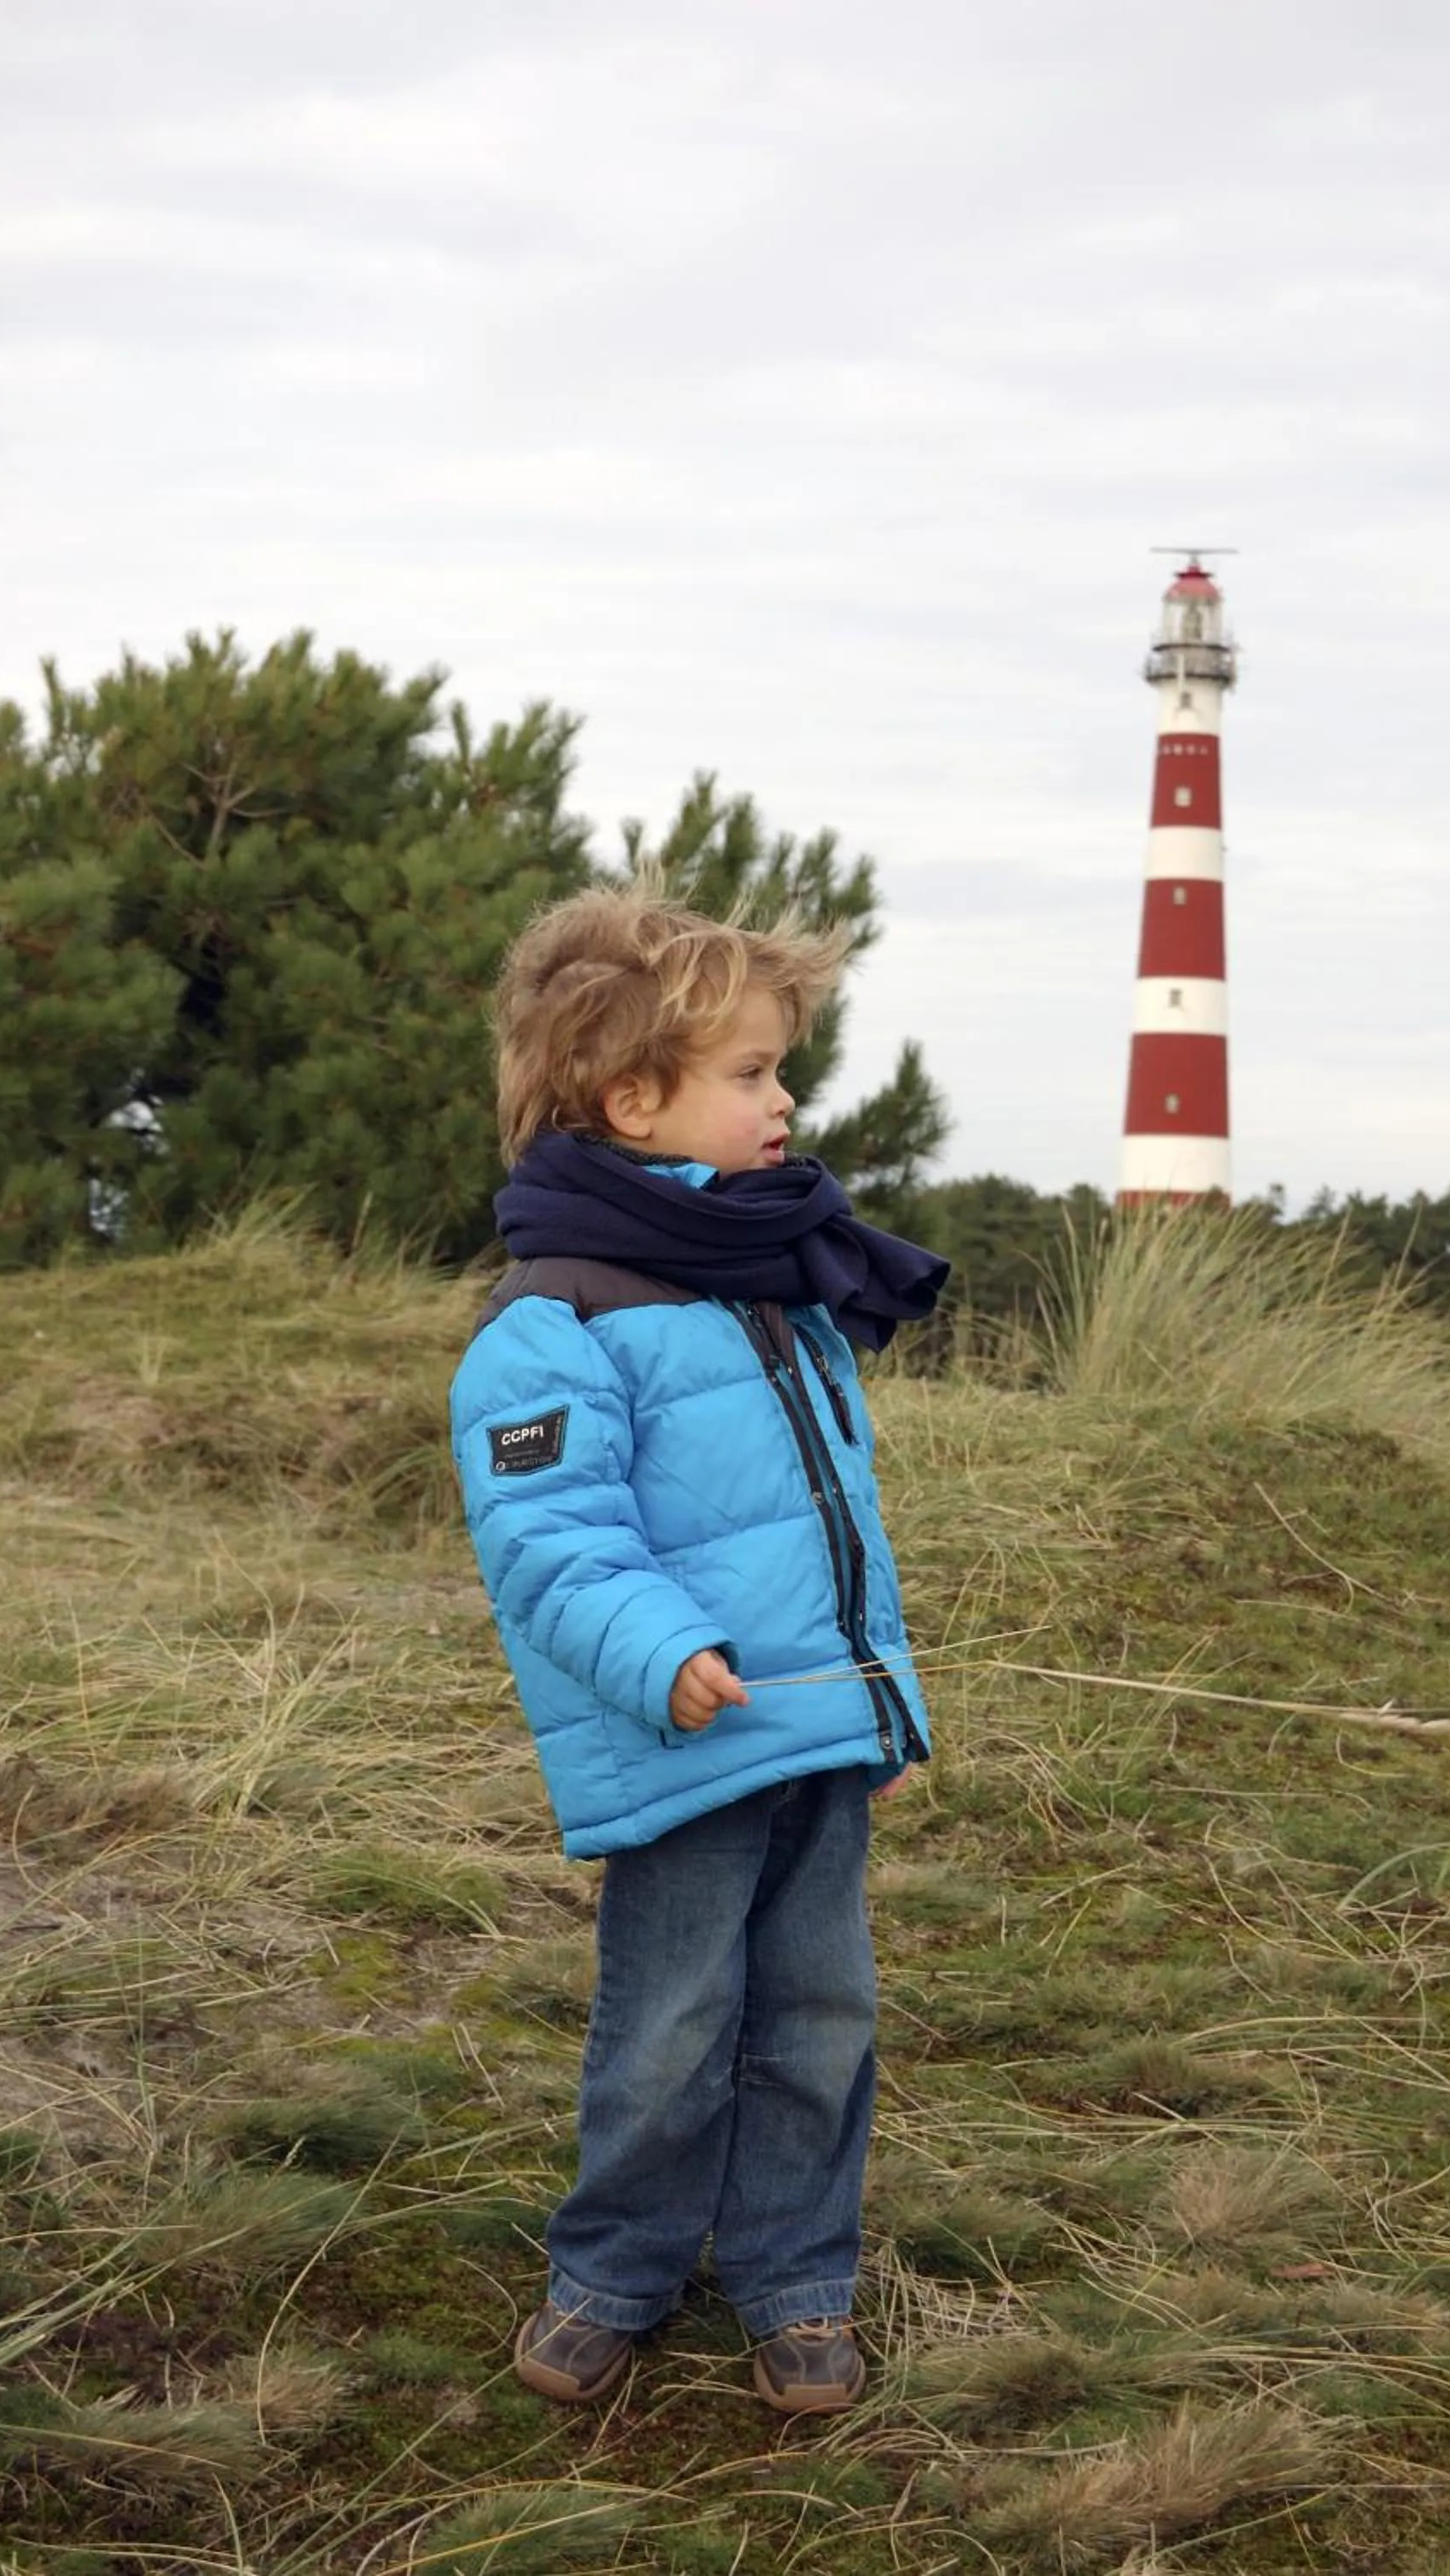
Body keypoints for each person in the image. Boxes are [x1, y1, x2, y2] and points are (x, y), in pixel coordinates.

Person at [449, 882, 948, 2417]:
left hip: (812, 1726)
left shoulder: (775, 1275)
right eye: (750, 1073)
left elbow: (830, 1523)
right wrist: (659, 1649)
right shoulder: (558, 1318)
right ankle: (616, 2270)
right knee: (669, 2028)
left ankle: (797, 2278)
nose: (785, 1098)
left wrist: (880, 1701)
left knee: (818, 2018)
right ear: (631, 1100)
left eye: (778, 1069)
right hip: (688, 1732)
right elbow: (550, 1535)